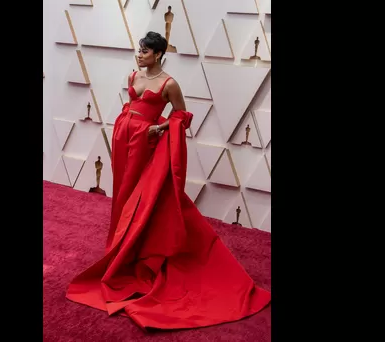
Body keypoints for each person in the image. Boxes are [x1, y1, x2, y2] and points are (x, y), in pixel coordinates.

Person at [66, 31, 271, 331]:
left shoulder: (169, 84)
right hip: (125, 137)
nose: (140, 54)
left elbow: (181, 116)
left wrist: (158, 130)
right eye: (140, 49)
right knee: (123, 194)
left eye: (146, 51)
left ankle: (139, 249)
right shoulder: (133, 75)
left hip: (145, 142)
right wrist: (125, 127)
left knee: (143, 195)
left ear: (159, 54)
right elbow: (131, 107)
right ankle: (120, 248)